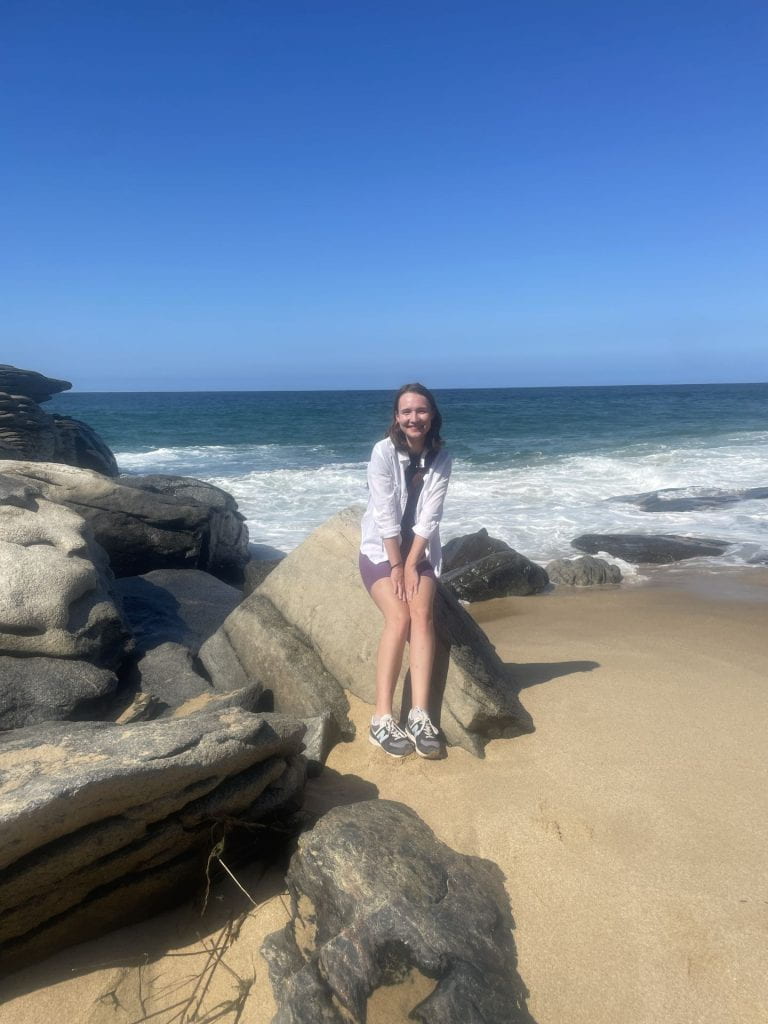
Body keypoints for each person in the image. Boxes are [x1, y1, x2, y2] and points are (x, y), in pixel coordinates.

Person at [359, 383, 452, 759]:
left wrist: (413, 564)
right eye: (406, 411)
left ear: (432, 415)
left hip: (419, 551)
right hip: (380, 551)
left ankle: (419, 715)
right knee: (398, 617)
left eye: (421, 410)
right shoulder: (382, 453)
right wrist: (397, 566)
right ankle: (381, 719)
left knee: (422, 614)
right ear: (396, 418)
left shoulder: (441, 456)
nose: (414, 418)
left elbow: (429, 517)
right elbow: (384, 516)